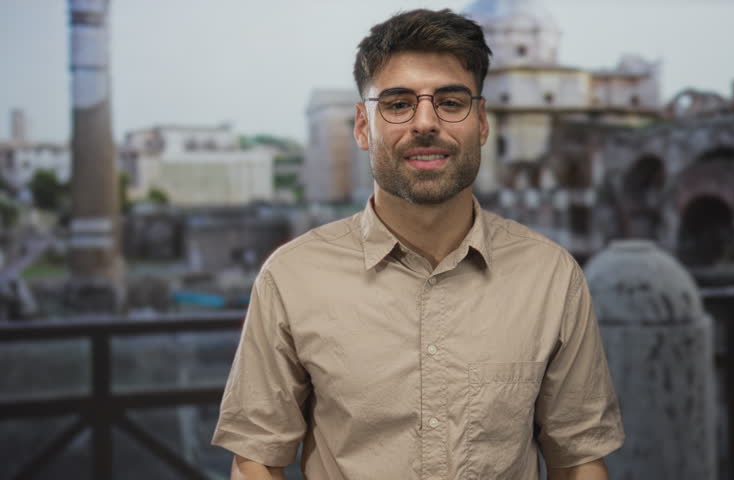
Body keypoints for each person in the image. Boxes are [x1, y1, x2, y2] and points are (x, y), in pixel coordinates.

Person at [212, 8, 624, 480]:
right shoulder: (291, 277)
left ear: (482, 123)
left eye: (450, 103)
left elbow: (579, 459)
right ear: (363, 127)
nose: (425, 122)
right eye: (398, 103)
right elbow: (256, 460)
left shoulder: (551, 275)